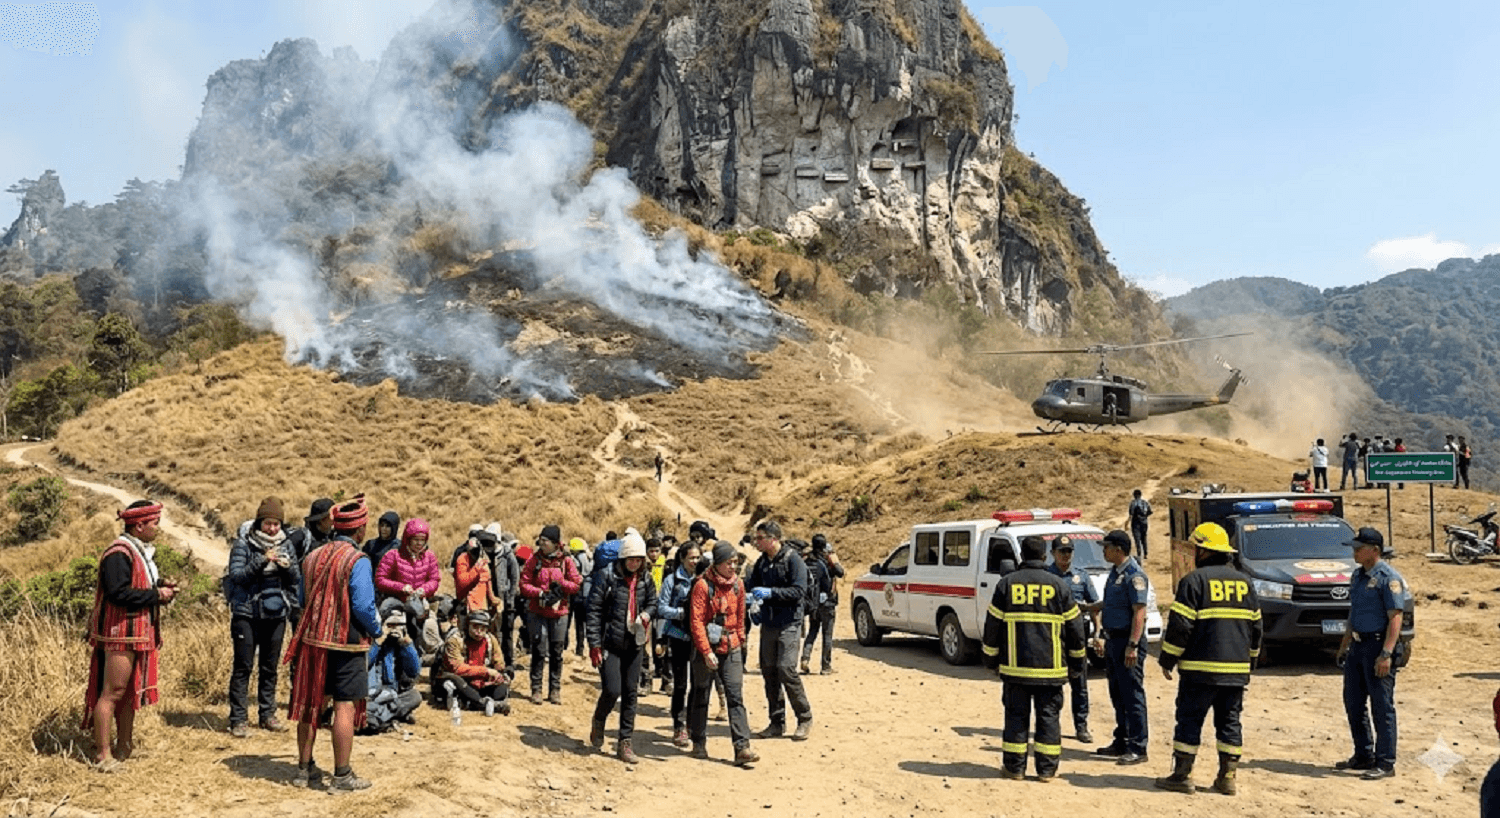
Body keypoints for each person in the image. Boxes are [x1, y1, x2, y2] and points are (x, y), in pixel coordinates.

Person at [1155, 523, 1263, 796]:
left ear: (1203, 551)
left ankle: (1182, 777)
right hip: (1235, 673)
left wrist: (1167, 659)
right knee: (1229, 722)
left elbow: (1181, 627)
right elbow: (1256, 629)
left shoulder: (1193, 581)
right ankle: (1227, 778)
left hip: (1199, 671)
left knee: (1190, 721)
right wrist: (1249, 663)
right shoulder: (1245, 582)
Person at [282, 496, 382, 791]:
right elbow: (363, 606)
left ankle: (303, 771)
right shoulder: (357, 560)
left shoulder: (311, 557)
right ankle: (342, 775)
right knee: (344, 706)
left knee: (311, 705)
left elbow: (301, 600)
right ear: (360, 530)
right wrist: (376, 628)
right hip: (346, 644)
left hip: (312, 642)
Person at [981, 535, 1087, 781]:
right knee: (1049, 719)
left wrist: (990, 660)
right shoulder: (1059, 586)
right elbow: (1076, 630)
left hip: (1015, 669)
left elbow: (992, 627)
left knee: (1016, 718)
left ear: (1022, 557)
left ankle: (1014, 769)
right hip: (1051, 671)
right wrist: (1076, 664)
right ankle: (1047, 771)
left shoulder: (1007, 585)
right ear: (1044, 556)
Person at [83, 500, 177, 772]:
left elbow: (133, 584)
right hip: (120, 632)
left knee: (127, 693)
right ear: (139, 525)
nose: (157, 528)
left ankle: (124, 747)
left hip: (133, 631)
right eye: (154, 523)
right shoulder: (118, 553)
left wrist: (159, 586)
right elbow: (118, 593)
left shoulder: (133, 551)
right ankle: (103, 755)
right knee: (112, 692)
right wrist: (157, 595)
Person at [1335, 527, 1407, 781]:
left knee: (1381, 705)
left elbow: (1395, 618)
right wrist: (1345, 645)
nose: (1354, 551)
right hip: (1357, 647)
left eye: (1359, 547)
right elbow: (1353, 613)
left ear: (1374, 551)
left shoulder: (1389, 578)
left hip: (1377, 647)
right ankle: (1363, 754)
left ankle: (1385, 761)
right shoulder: (1357, 576)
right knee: (1353, 703)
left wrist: (1386, 653)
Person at [224, 496, 300, 738]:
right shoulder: (243, 545)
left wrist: (288, 568)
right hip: (246, 613)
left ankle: (267, 714)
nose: (272, 529)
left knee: (270, 667)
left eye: (277, 524)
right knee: (243, 667)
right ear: (259, 523)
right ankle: (238, 719)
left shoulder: (286, 544)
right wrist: (261, 560)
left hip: (276, 614)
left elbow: (296, 579)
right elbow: (237, 576)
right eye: (268, 523)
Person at [585, 531, 658, 763]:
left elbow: (653, 602)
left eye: (639, 560)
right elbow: (594, 610)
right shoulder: (607, 576)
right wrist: (594, 644)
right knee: (612, 689)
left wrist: (646, 615)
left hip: (635, 643)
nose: (635, 564)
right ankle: (599, 720)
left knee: (631, 692)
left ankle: (625, 742)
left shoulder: (646, 578)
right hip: (611, 642)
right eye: (631, 559)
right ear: (622, 558)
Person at [687, 540, 758, 766]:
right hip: (706, 647)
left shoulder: (738, 585)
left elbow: (739, 616)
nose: (733, 567)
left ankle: (742, 747)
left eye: (735, 563)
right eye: (729, 563)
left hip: (731, 646)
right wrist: (706, 651)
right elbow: (696, 621)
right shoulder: (702, 586)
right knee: (701, 694)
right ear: (717, 564)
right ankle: (698, 741)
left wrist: (741, 640)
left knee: (735, 697)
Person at [747, 519, 813, 741]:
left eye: (760, 538)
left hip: (789, 623)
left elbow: (798, 591)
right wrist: (752, 603)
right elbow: (751, 585)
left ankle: (804, 717)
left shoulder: (793, 560)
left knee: (786, 669)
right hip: (769, 624)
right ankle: (777, 722)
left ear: (773, 539)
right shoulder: (762, 562)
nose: (756, 542)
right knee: (769, 671)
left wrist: (771, 593)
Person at [1094, 529, 1150, 765]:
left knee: (1132, 694)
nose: (1103, 551)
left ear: (1118, 549)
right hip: (1114, 640)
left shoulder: (1134, 575)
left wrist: (1133, 645)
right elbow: (1111, 603)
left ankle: (1138, 746)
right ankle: (1122, 740)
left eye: (1106, 547)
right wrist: (1089, 608)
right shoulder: (1115, 573)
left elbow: (1139, 612)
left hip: (1128, 640)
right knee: (1117, 693)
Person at [519, 524, 582, 704]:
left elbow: (576, 583)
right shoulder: (534, 560)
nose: (542, 543)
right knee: (538, 649)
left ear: (555, 543)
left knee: (557, 652)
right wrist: (539, 592)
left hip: (559, 611)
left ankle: (555, 689)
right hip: (537, 611)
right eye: (541, 540)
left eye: (545, 541)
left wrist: (560, 585)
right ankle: (536, 688)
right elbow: (524, 584)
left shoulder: (566, 561)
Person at [1048, 534, 1100, 743]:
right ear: (1053, 553)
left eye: (1069, 552)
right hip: (1053, 638)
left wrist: (1098, 632)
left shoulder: (1082, 576)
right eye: (1061, 552)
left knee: (1079, 683)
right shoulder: (1046, 576)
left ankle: (1081, 726)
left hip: (1077, 636)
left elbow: (1094, 606)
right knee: (1052, 686)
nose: (1065, 556)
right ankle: (1052, 726)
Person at [657, 540, 702, 747]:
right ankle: (679, 725)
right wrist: (682, 613)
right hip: (678, 636)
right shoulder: (671, 581)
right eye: (691, 557)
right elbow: (662, 608)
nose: (695, 561)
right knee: (681, 684)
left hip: (699, 638)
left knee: (698, 684)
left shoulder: (703, 579)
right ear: (682, 559)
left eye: (697, 557)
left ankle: (693, 725)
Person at [435, 608, 510, 716]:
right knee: (455, 681)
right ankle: (484, 704)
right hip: (460, 678)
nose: (478, 631)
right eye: (475, 627)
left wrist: (498, 675)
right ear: (468, 625)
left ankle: (475, 703)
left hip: (481, 680)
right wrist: (485, 671)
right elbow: (457, 669)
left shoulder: (490, 640)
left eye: (483, 628)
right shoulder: (455, 640)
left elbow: (499, 662)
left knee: (502, 687)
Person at [364, 599, 422, 732]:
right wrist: (378, 641)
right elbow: (364, 665)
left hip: (391, 696)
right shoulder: (370, 638)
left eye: (399, 624)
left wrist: (407, 644)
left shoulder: (402, 643)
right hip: (370, 696)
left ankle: (379, 718)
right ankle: (388, 717)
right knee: (365, 707)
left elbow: (414, 672)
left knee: (415, 696)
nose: (395, 628)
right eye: (391, 624)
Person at [375, 518, 440, 613]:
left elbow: (434, 579)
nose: (419, 543)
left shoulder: (430, 556)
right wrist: (401, 588)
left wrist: (424, 590)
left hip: (421, 601)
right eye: (416, 540)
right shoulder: (393, 555)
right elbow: (380, 579)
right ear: (408, 539)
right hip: (397, 602)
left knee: (431, 624)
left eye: (422, 540)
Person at [800, 534, 844, 675]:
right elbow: (840, 573)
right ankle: (826, 667)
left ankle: (805, 659)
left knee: (812, 631)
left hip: (812, 604)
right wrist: (834, 558)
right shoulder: (826, 561)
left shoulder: (807, 560)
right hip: (827, 603)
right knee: (827, 634)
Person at [488, 529, 522, 672]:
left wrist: (511, 596)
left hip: (506, 598)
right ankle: (495, 659)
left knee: (507, 631)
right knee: (493, 630)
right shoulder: (487, 553)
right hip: (491, 598)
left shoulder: (507, 555)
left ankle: (508, 662)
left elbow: (515, 577)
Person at [454, 524, 499, 616]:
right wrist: (477, 567)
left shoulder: (484, 562)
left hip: (481, 607)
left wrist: (494, 601)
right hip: (466, 605)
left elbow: (487, 582)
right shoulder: (462, 559)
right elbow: (463, 582)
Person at [644, 537, 668, 694]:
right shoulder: (642, 565)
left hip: (662, 610)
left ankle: (666, 679)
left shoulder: (667, 565)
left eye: (656, 551)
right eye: (651, 551)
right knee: (645, 646)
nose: (653, 554)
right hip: (647, 608)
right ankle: (646, 681)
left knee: (662, 643)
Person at [285, 498, 335, 564]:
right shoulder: (300, 538)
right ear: (321, 520)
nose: (334, 518)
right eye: (331, 516)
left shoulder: (331, 536)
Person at [569, 537, 594, 659]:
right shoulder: (591, 558)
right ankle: (592, 648)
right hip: (590, 595)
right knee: (590, 624)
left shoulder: (574, 559)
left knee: (579, 624)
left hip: (578, 594)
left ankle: (580, 649)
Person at [1128, 489, 1153, 559]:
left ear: (1134, 495)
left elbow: (1131, 513)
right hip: (1144, 523)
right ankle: (1145, 553)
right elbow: (1150, 512)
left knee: (1137, 539)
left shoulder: (1133, 503)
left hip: (1135, 523)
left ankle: (1139, 553)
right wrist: (1144, 517)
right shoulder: (1145, 502)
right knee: (1144, 538)